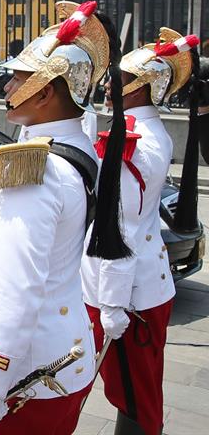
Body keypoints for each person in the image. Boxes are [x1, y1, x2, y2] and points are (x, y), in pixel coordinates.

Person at [0, 0, 131, 434]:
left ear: (45, 92)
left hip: (18, 381)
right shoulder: (57, 151)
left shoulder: (39, 170)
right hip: (41, 365)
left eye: (18, 78)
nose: (6, 87)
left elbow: (15, 287)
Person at [83, 28, 201, 435]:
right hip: (143, 287)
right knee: (136, 393)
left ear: (138, 88)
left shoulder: (133, 140)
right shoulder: (144, 131)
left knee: (136, 399)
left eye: (116, 80)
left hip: (129, 296)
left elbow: (121, 226)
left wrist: (113, 302)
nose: (107, 87)